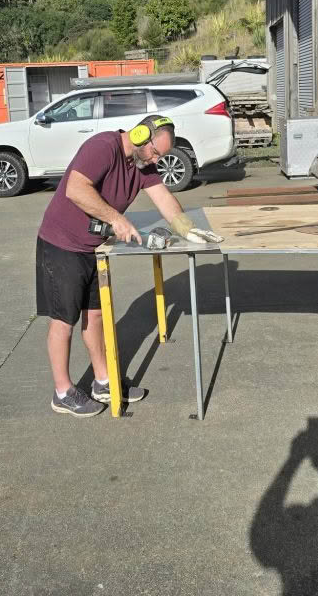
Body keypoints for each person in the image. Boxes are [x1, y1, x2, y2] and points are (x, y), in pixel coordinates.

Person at [36, 114, 223, 417]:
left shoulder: (142, 164)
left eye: (160, 155)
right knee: (63, 321)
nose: (155, 159)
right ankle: (62, 391)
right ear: (139, 135)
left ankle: (103, 381)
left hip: (92, 247)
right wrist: (116, 218)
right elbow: (76, 188)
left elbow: (163, 198)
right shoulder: (102, 147)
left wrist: (188, 228)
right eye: (155, 151)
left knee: (95, 315)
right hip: (61, 244)